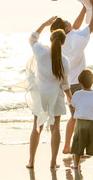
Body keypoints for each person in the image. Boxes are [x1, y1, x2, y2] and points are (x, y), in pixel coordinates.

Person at [50, 0, 93, 154]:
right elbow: (92, 26)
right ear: (66, 27)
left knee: (74, 116)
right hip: (78, 85)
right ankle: (70, 147)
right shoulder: (76, 38)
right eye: (66, 21)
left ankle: (69, 146)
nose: (69, 21)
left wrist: (85, 9)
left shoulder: (62, 42)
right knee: (77, 116)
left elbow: (76, 26)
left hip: (65, 84)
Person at [25, 16, 72, 169]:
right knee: (56, 128)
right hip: (55, 95)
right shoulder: (64, 60)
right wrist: (71, 99)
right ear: (63, 42)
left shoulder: (40, 51)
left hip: (40, 94)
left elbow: (32, 38)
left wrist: (44, 24)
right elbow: (65, 85)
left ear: (51, 39)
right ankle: (53, 162)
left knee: (36, 127)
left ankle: (31, 162)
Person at [69, 69, 93, 169]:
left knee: (78, 143)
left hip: (81, 123)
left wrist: (76, 107)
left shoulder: (77, 94)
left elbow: (71, 106)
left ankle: (76, 164)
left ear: (79, 82)